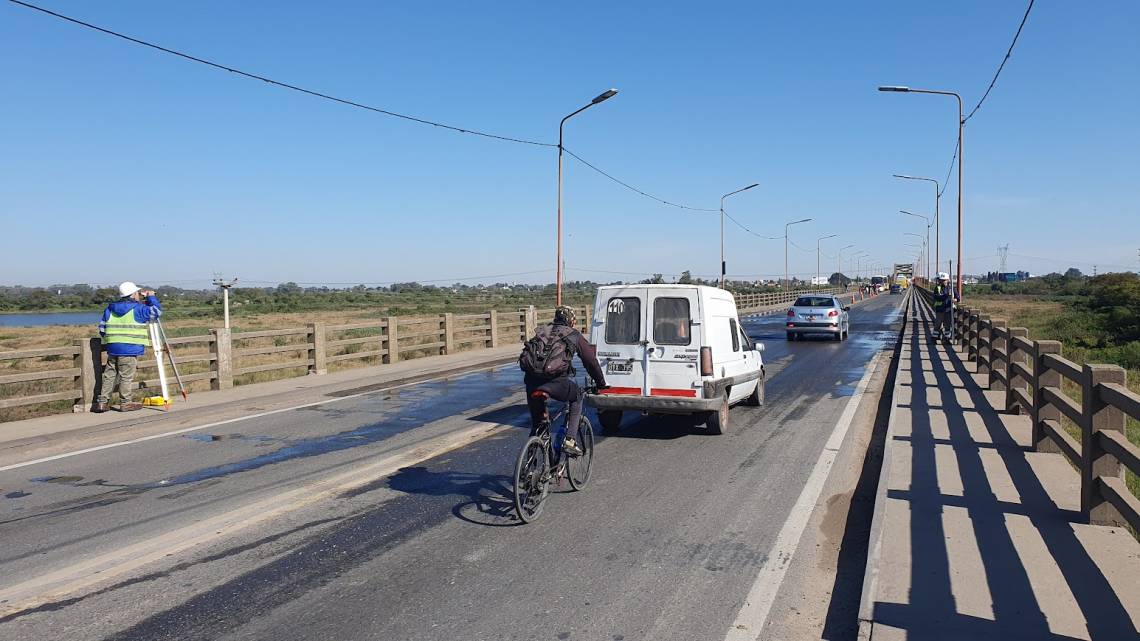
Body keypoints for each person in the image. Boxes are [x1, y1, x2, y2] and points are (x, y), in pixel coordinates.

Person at [522, 306, 607, 458]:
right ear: (571, 321)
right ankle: (570, 440)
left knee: (538, 424)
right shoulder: (573, 335)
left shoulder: (541, 331)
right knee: (577, 396)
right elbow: (590, 361)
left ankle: (527, 464)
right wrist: (600, 382)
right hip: (556, 383)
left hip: (531, 382)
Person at [95, 282, 162, 412]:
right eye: (137, 293)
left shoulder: (110, 308)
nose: (138, 295)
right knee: (126, 377)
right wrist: (151, 297)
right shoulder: (138, 309)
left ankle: (102, 403)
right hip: (130, 349)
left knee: (109, 375)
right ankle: (126, 402)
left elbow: (102, 329)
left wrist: (113, 340)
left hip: (113, 348)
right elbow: (156, 311)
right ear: (132, 294)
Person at [932, 272, 959, 340]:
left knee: (948, 325)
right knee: (938, 324)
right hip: (940, 309)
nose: (942, 281)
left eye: (943, 280)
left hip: (948, 309)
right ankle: (934, 337)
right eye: (941, 280)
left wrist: (955, 299)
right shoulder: (937, 288)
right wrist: (946, 296)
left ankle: (947, 338)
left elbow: (958, 298)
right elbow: (937, 297)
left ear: (947, 280)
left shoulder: (952, 288)